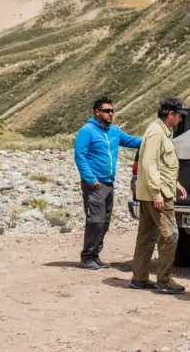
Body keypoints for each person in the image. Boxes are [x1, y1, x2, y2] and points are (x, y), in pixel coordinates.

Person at [74, 97, 142, 269]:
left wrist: (154, 139)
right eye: (107, 111)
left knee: (104, 222)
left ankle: (95, 255)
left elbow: (133, 141)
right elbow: (80, 156)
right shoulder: (86, 131)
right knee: (95, 221)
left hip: (109, 184)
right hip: (95, 184)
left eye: (112, 111)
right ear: (97, 112)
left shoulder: (114, 132)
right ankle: (87, 257)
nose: (111, 114)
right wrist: (91, 179)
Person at [130, 97, 188, 294]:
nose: (180, 120)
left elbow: (163, 165)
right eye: (179, 116)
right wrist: (157, 193)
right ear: (170, 115)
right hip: (158, 194)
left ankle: (139, 278)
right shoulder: (157, 133)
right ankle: (164, 279)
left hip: (151, 192)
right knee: (170, 235)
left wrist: (176, 184)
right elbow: (149, 164)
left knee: (146, 236)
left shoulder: (160, 131)